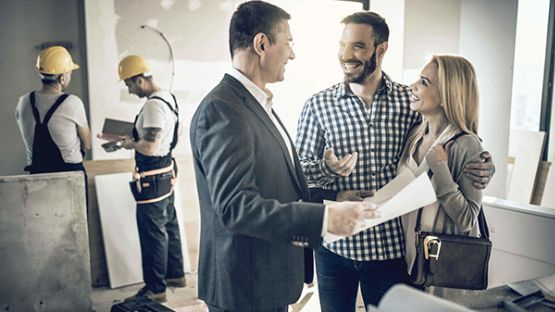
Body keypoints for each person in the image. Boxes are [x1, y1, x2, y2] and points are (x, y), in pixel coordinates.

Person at [295, 12, 494, 311]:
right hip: (335, 249)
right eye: (342, 45)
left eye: (359, 47)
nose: (346, 56)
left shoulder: (411, 103)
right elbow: (300, 175)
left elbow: (452, 132)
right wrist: (328, 173)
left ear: (381, 49)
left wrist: (484, 164)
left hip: (392, 250)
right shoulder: (317, 105)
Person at [189, 2, 380, 311]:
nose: (292, 54)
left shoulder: (253, 104)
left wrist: (327, 178)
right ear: (262, 44)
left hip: (263, 283)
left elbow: (275, 182)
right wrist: (325, 218)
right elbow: (236, 207)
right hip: (245, 289)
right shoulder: (223, 109)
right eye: (288, 43)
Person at [401, 55, 484, 295]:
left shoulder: (466, 145)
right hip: (409, 268)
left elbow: (468, 219)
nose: (412, 87)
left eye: (424, 82)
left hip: (443, 277)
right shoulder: (415, 136)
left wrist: (441, 169)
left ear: (448, 95)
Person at [111, 55, 185, 302]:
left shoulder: (153, 106)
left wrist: (127, 143)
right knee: (169, 224)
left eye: (129, 84)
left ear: (140, 79)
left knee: (153, 231)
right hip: (165, 172)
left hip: (152, 175)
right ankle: (175, 275)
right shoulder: (168, 98)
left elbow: (150, 147)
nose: (129, 90)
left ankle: (156, 289)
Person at [15, 45, 91, 175]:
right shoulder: (73, 103)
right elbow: (87, 144)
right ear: (62, 78)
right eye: (69, 74)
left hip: (37, 177)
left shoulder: (23, 102)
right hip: (70, 176)